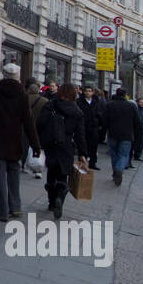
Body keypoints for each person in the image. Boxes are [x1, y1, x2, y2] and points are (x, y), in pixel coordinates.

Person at [0, 62, 40, 221]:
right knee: (14, 172)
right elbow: (28, 121)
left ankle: (2, 210)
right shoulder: (22, 94)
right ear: (18, 77)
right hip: (15, 139)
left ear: (4, 75)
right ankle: (15, 207)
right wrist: (35, 145)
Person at [38, 83, 88, 219]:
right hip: (66, 145)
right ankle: (60, 197)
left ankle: (51, 201)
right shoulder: (77, 112)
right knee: (62, 174)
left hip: (51, 144)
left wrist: (39, 141)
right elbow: (80, 134)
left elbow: (40, 123)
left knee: (51, 172)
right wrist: (83, 153)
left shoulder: (50, 105)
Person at [104, 88, 138, 186]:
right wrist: (135, 134)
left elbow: (104, 119)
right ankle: (119, 169)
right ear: (125, 95)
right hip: (127, 135)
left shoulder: (110, 105)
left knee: (114, 153)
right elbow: (137, 122)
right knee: (123, 155)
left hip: (113, 133)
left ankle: (115, 171)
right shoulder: (131, 106)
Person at [24, 80, 49, 177]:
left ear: (29, 90)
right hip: (39, 126)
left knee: (25, 144)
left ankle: (24, 164)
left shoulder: (24, 99)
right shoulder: (44, 101)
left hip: (25, 125)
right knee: (37, 146)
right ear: (38, 90)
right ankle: (37, 169)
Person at [76, 87, 103, 170]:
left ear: (93, 92)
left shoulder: (96, 102)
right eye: (86, 91)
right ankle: (81, 161)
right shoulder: (79, 101)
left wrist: (98, 122)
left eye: (90, 91)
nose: (88, 93)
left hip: (93, 126)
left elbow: (100, 113)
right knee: (83, 144)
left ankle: (93, 162)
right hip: (83, 126)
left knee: (94, 145)